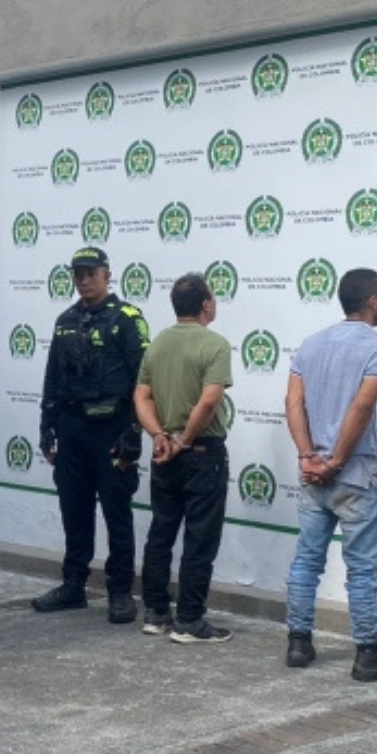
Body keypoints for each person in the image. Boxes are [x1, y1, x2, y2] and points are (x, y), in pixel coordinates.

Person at [282, 268, 377, 680]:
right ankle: (369, 650)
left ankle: (298, 642)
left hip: (313, 475)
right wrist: (335, 459)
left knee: (306, 560)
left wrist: (307, 457)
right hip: (355, 475)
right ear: (372, 301)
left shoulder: (311, 345)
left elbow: (293, 403)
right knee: (362, 568)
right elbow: (361, 408)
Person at [35, 246, 151, 624]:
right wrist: (46, 427)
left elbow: (143, 380)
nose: (84, 280)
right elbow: (53, 377)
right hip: (72, 430)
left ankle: (120, 591)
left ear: (107, 274)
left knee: (117, 512)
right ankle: (73, 585)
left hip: (112, 431)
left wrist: (135, 430)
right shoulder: (64, 320)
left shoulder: (128, 318)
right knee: (74, 510)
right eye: (78, 274)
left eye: (91, 273)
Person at [133, 272, 234, 643]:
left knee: (161, 532)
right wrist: (184, 440)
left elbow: (141, 397)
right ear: (206, 304)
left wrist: (160, 436)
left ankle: (156, 612)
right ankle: (190, 620)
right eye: (214, 298)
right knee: (199, 538)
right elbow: (209, 400)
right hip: (201, 452)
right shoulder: (215, 345)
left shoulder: (157, 344)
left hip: (163, 454)